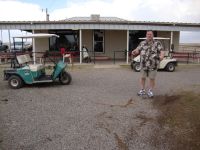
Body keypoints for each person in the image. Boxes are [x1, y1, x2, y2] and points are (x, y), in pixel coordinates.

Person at [132, 30, 164, 98]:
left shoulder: (157, 43)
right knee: (142, 77)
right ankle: (142, 90)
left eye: (150, 34)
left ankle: (150, 91)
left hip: (153, 65)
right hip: (143, 64)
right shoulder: (142, 43)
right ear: (146, 35)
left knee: (152, 78)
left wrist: (162, 56)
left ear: (153, 35)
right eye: (148, 34)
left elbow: (161, 51)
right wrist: (135, 51)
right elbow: (138, 49)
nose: (149, 35)